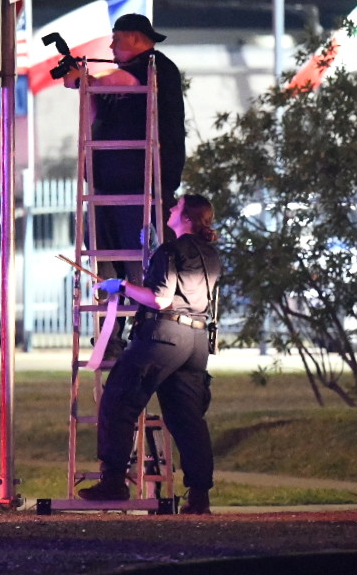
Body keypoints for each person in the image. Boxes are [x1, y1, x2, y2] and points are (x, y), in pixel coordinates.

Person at [77, 194, 221, 515]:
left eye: (176, 206)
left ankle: (114, 481)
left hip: (163, 336)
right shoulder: (210, 254)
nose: (170, 209)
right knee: (187, 419)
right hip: (196, 340)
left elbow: (160, 299)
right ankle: (199, 495)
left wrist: (122, 286)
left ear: (187, 218)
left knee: (118, 399)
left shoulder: (171, 251)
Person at [63, 13, 186, 356]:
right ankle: (109, 336)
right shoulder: (115, 77)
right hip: (105, 187)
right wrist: (84, 85)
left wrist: (84, 77)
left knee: (140, 261)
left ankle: (145, 333)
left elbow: (125, 83)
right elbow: (93, 112)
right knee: (104, 262)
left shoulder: (156, 66)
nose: (112, 47)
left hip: (143, 185)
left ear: (134, 38)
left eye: (116, 40)